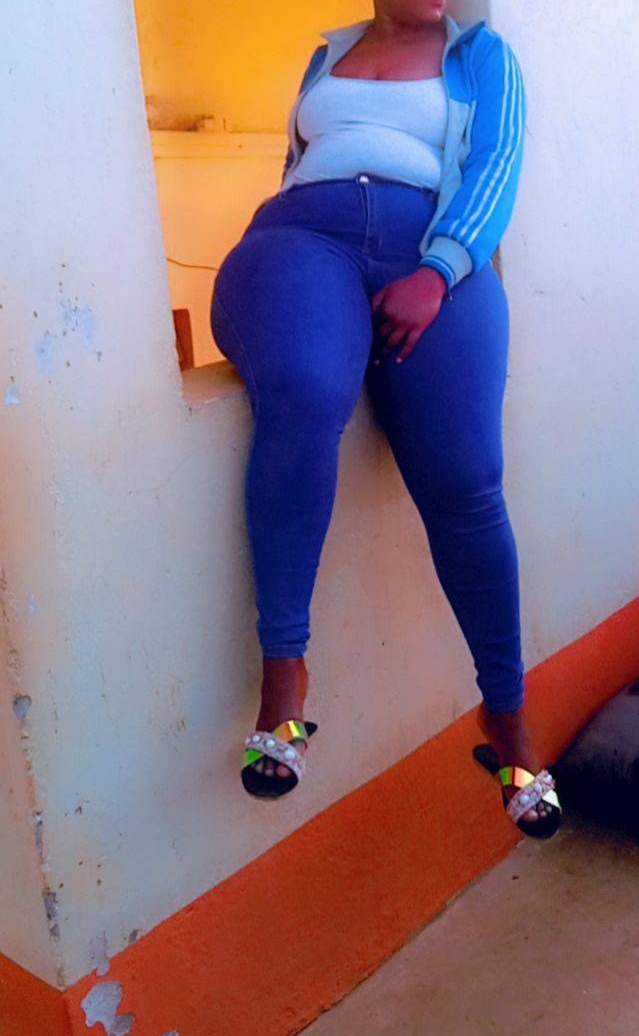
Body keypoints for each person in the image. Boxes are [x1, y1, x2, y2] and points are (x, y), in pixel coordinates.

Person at [210, 0, 562, 837]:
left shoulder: (481, 56)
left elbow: (494, 166)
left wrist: (437, 271)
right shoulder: (325, 54)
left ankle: (506, 713)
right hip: (305, 241)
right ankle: (285, 674)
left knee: (467, 480)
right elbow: (298, 163)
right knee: (302, 392)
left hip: (434, 251)